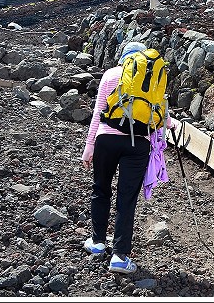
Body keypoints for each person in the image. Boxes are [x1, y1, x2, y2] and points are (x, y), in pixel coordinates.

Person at [81, 41, 178, 274]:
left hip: (106, 139)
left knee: (101, 189)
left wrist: (89, 146)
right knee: (126, 199)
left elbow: (98, 111)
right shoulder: (151, 79)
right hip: (138, 145)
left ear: (124, 58)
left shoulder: (111, 74)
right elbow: (164, 119)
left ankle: (97, 243)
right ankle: (119, 256)